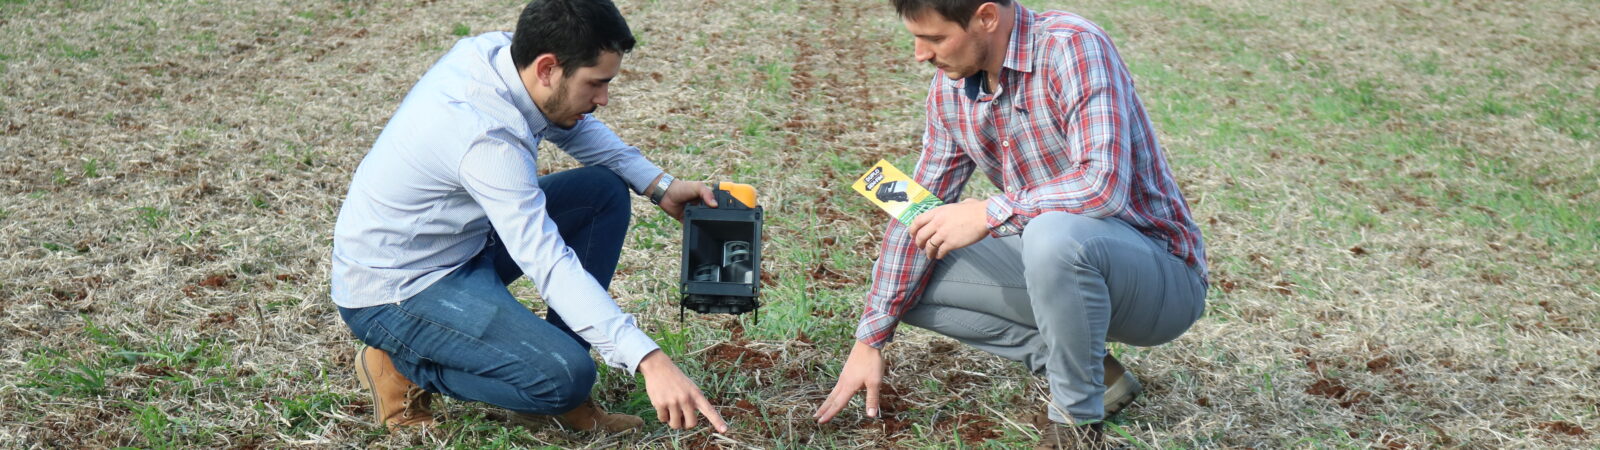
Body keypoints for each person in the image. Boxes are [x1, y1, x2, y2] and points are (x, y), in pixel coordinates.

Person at [814, 0, 1207, 447]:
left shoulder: (1071, 46)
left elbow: (1102, 186)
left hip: (1158, 279)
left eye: (936, 38)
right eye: (916, 38)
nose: (920, 54)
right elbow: (915, 211)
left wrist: (988, 211)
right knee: (914, 264)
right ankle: (1093, 373)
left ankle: (1075, 425)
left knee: (1052, 234)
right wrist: (871, 339)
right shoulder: (949, 90)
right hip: (1058, 266)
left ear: (986, 17)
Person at [330, 0, 728, 435]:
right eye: (596, 84)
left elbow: (574, 122)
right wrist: (649, 360)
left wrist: (659, 186)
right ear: (547, 69)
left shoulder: (500, 55)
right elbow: (546, 260)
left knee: (601, 193)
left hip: (465, 243)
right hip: (399, 289)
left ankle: (564, 395)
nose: (604, 99)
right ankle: (401, 365)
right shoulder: (484, 136)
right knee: (564, 378)